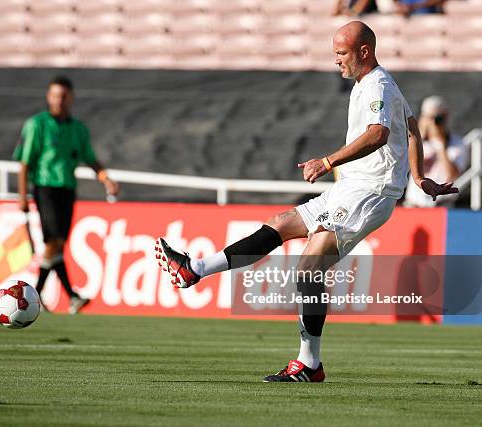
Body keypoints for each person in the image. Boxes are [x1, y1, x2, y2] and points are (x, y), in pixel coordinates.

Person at [155, 21, 457, 382]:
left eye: (341, 54)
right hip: (351, 188)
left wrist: (328, 161)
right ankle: (195, 270)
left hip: (370, 192)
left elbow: (379, 134)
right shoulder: (374, 84)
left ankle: (309, 363)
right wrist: (419, 176)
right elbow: (411, 127)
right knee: (281, 223)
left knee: (309, 266)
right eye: (335, 55)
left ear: (363, 51)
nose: (337, 62)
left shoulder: (378, 84)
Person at [15, 76, 119, 314]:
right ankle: (57, 295)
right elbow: (24, 163)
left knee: (58, 245)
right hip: (45, 187)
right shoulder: (37, 125)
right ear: (48, 97)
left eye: (63, 96)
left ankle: (53, 295)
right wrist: (22, 196)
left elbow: (90, 159)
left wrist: (106, 178)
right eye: (54, 95)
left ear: (71, 98)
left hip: (67, 190)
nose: (59, 100)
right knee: (53, 243)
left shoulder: (78, 129)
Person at [404, 95, 468, 207]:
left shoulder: (458, 143)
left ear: (446, 117)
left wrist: (440, 145)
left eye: (438, 118)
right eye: (429, 118)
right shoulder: (415, 141)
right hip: (414, 205)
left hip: (442, 205)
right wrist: (419, 137)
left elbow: (453, 175)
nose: (433, 123)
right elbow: (402, 166)